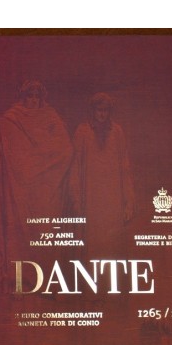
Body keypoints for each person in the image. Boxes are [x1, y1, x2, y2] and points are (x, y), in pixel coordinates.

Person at [0, 80, 73, 282]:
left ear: (42, 98)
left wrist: (41, 164)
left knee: (45, 233)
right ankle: (19, 278)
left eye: (37, 96)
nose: (33, 100)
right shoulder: (9, 120)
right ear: (22, 97)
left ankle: (46, 280)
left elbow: (66, 150)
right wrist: (22, 167)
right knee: (17, 231)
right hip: (17, 189)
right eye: (29, 96)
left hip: (46, 189)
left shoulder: (51, 117)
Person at [70, 92, 134, 257]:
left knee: (112, 245)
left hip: (113, 200)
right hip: (91, 200)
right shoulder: (82, 132)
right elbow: (75, 168)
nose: (102, 114)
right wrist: (76, 200)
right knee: (92, 245)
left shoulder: (117, 132)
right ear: (93, 110)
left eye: (105, 110)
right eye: (99, 110)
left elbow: (125, 169)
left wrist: (128, 202)